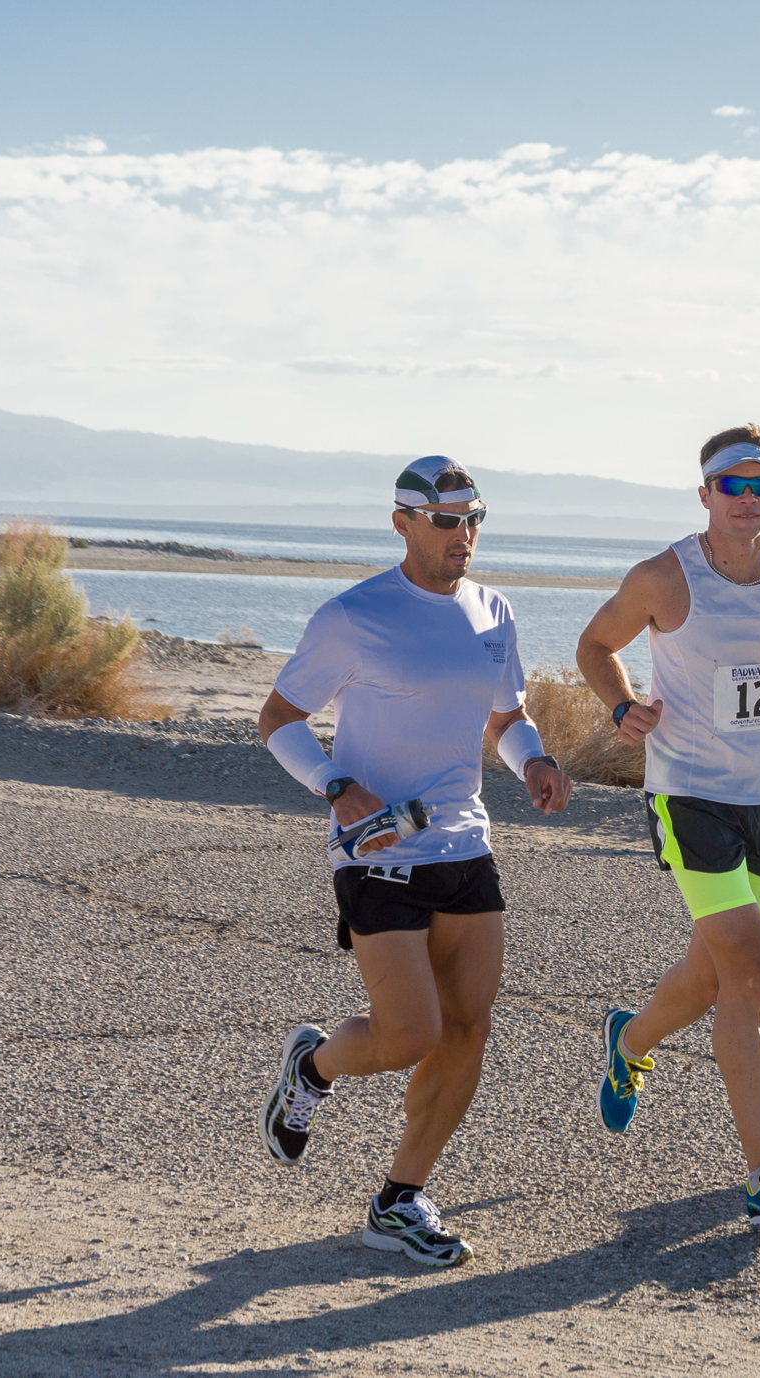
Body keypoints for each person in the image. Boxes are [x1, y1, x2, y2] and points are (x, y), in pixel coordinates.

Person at [255, 454, 572, 1267]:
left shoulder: (493, 610)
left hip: (465, 843)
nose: (462, 534)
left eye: (473, 518)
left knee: (466, 1029)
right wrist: (336, 785)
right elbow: (279, 717)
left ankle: (398, 1200)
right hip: (376, 848)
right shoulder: (353, 616)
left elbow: (507, 718)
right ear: (401, 522)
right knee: (409, 1032)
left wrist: (531, 761)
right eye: (445, 520)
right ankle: (314, 1065)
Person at [576, 424, 760, 1229]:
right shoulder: (665, 578)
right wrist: (621, 706)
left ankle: (629, 1040)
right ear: (703, 493)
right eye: (730, 486)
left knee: (711, 977)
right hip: (690, 794)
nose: (747, 499)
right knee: (750, 970)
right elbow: (596, 645)